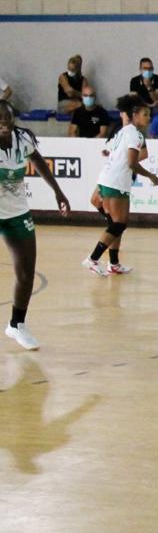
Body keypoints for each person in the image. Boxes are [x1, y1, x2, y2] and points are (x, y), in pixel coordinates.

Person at [0, 100, 71, 350]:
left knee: (26, 272)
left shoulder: (22, 139)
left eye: (7, 120)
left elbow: (39, 161)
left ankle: (16, 325)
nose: (4, 125)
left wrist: (58, 191)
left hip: (17, 212)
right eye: (0, 121)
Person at [81, 95, 158, 277]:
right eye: (145, 114)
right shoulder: (134, 134)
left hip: (112, 179)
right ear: (135, 115)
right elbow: (132, 163)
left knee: (118, 223)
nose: (148, 118)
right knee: (119, 223)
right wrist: (151, 176)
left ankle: (114, 263)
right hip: (116, 181)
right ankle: (93, 259)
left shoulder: (124, 131)